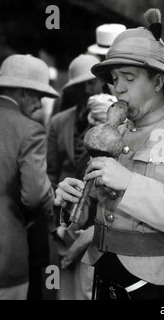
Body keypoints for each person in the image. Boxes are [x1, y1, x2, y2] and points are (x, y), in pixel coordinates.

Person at [53, 8, 164, 300]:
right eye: (115, 78)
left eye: (129, 77)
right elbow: (93, 210)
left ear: (157, 82)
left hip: (156, 287)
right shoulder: (114, 132)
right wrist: (73, 202)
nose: (119, 88)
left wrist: (128, 182)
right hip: (103, 276)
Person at [47, 54, 104, 300]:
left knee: (91, 286)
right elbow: (51, 171)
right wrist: (56, 210)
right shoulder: (59, 122)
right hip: (66, 220)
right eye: (82, 84)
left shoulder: (108, 118)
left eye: (92, 82)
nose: (88, 89)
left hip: (97, 221)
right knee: (67, 288)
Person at [0, 54, 57, 299]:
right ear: (24, 92)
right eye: (39, 96)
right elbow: (34, 195)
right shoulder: (30, 130)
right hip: (6, 256)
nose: (39, 105)